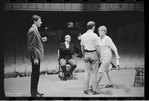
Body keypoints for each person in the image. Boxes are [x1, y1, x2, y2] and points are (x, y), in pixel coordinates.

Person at [26, 15, 47, 97]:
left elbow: (35, 42)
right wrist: (35, 58)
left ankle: (35, 91)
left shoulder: (35, 30)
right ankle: (33, 93)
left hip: (37, 55)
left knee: (36, 74)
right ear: (35, 21)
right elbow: (31, 46)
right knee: (35, 74)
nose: (41, 22)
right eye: (39, 21)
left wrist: (42, 40)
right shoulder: (33, 31)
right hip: (35, 56)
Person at [80, 21, 101, 95]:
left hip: (86, 54)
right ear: (93, 27)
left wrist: (83, 55)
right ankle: (95, 90)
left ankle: (86, 89)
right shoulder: (95, 36)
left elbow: (82, 47)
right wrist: (100, 56)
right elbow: (97, 47)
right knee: (95, 73)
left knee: (87, 73)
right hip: (94, 54)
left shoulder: (83, 36)